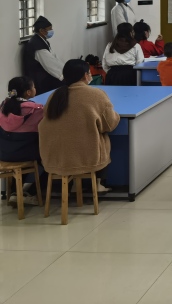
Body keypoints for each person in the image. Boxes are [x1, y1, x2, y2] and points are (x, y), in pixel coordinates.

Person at [39, 59, 120, 193]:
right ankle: (98, 183)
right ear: (85, 75)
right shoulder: (97, 94)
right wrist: (116, 115)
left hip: (54, 156)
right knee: (102, 138)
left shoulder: (55, 95)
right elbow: (109, 124)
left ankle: (73, 184)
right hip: (86, 156)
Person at [0, 76, 44, 206]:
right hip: (26, 153)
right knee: (50, 161)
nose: (35, 89)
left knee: (20, 157)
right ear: (28, 92)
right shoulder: (36, 110)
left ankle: (15, 192)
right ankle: (30, 192)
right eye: (33, 87)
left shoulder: (3, 106)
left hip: (4, 153)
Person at [22, 16, 63, 94]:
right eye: (49, 29)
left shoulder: (42, 41)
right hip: (40, 81)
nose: (51, 31)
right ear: (41, 30)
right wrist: (64, 76)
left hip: (44, 76)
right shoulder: (37, 45)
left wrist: (66, 69)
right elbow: (50, 65)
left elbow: (54, 58)